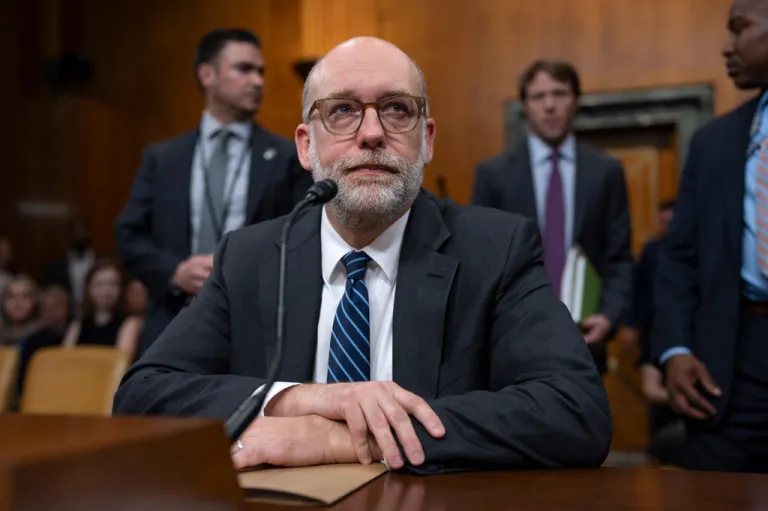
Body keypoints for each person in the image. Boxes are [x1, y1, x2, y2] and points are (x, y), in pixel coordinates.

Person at [114, 37, 612, 474]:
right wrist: (303, 399)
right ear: (307, 148)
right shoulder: (250, 257)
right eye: (343, 110)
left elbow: (576, 410)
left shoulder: (494, 249)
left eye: (397, 109)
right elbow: (142, 397)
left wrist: (340, 439)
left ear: (427, 139)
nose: (372, 133)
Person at [114, 28, 313, 355]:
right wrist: (174, 272)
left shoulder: (288, 157)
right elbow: (128, 234)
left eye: (260, 71)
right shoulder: (163, 158)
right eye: (244, 69)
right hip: (172, 322)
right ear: (207, 74)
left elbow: (303, 236)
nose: (258, 81)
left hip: (256, 328)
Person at [652, 0, 768, 473]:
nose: (726, 45)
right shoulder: (714, 141)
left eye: (739, 28)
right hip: (734, 365)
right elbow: (678, 258)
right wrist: (676, 349)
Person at [470, 60, 632, 375]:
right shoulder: (494, 174)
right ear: (525, 106)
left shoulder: (606, 171)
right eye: (538, 96)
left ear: (575, 100)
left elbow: (619, 257)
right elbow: (479, 260)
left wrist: (610, 316)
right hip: (513, 339)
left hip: (586, 338)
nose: (550, 105)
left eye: (559, 94)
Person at [62, 261, 143, 360]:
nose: (107, 291)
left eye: (113, 284)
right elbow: (64, 359)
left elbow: (121, 360)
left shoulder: (130, 322)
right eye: (100, 285)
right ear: (89, 289)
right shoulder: (78, 324)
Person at [44, 216, 95, 308]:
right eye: (75, 232)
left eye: (82, 231)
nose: (79, 236)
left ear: (90, 233)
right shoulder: (55, 268)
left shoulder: (100, 263)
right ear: (68, 236)